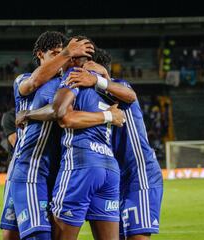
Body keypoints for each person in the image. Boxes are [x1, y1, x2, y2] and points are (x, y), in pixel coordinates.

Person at [0, 31, 95, 240]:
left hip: (53, 173)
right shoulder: (23, 80)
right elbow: (34, 82)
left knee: (12, 236)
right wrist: (68, 52)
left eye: (63, 54)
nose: (61, 58)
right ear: (40, 55)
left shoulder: (67, 83)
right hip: (29, 169)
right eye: (55, 54)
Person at [66, 48, 163, 240]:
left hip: (139, 173)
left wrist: (100, 79)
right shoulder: (87, 97)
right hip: (114, 176)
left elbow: (130, 95)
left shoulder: (119, 87)